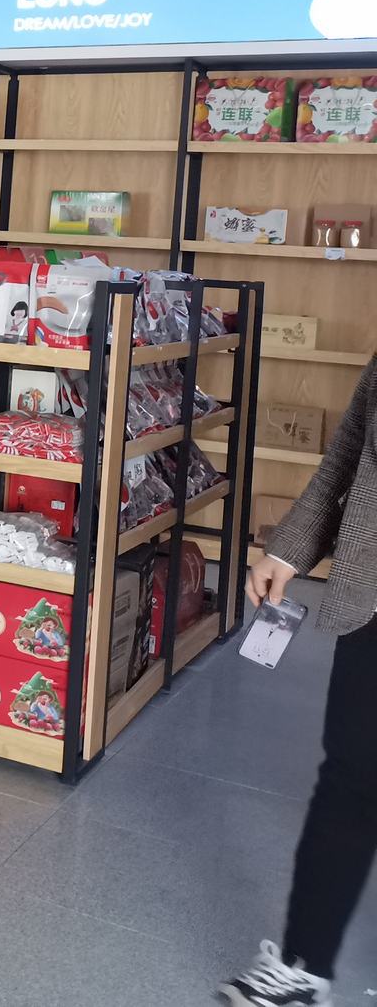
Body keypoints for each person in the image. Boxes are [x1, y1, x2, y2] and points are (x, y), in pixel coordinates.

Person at [223, 356, 377, 1007]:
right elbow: (348, 459)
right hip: (373, 601)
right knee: (352, 776)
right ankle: (302, 969)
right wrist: (287, 550)